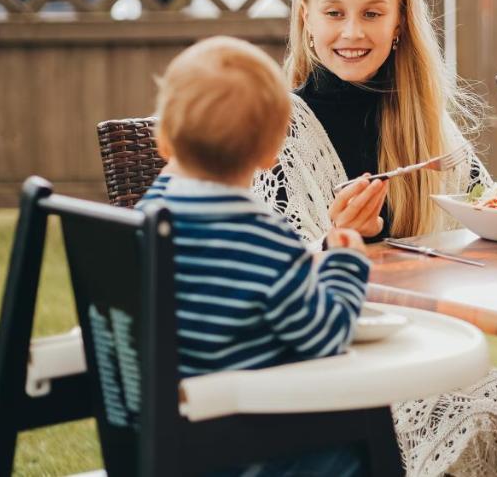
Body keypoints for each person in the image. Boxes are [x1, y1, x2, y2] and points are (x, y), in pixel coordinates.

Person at [252, 0, 497, 477]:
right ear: (305, 17)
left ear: (400, 21)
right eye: (334, 12)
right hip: (326, 367)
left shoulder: (427, 127)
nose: (352, 30)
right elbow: (266, 281)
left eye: (373, 13)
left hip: (428, 347)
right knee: (473, 420)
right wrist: (337, 243)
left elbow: (485, 214)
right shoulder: (276, 134)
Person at [140, 36, 371, 477]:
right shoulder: (266, 243)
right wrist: (346, 265)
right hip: (250, 451)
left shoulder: (145, 218)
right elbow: (325, 336)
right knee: (363, 448)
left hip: (166, 444)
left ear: (164, 139)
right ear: (270, 154)